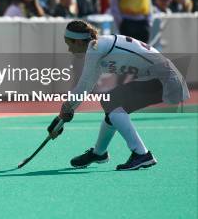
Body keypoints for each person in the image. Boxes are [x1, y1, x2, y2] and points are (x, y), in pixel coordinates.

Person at [48, 20, 189, 170]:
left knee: (112, 101)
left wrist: (64, 110)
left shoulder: (95, 48)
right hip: (160, 78)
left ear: (77, 41)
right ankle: (99, 153)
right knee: (113, 108)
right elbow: (87, 87)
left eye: (69, 43)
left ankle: (142, 154)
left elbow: (82, 86)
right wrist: (64, 115)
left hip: (167, 80)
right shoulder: (98, 49)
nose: (69, 49)